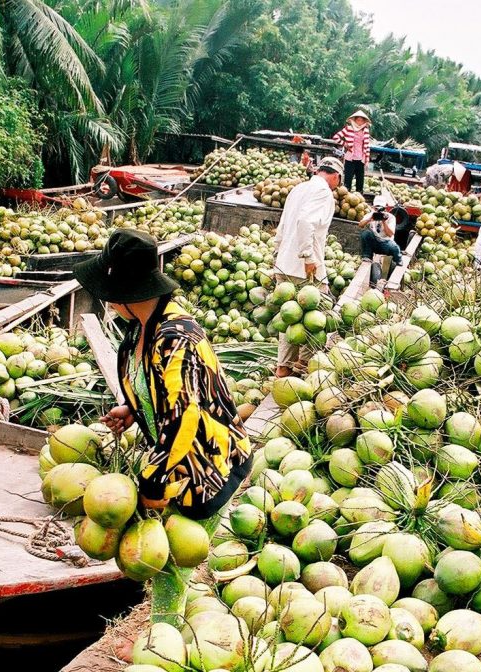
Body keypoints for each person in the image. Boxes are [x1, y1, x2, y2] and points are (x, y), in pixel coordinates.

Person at [73, 230, 252, 620]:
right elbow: (160, 391)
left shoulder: (177, 339)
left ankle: (162, 638)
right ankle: (171, 619)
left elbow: (184, 417)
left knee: (170, 563)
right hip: (179, 459)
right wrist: (132, 410)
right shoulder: (141, 328)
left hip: (209, 462)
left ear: (121, 292)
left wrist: (153, 482)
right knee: (168, 552)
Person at [272, 157, 343, 378]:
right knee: (316, 318)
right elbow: (305, 222)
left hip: (285, 264)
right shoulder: (323, 192)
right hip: (305, 267)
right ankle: (304, 365)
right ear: (335, 176)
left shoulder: (299, 189)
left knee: (290, 319)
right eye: (338, 181)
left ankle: (284, 368)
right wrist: (308, 255)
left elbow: (283, 224)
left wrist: (277, 252)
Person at [359, 194, 403, 287]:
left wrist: (384, 221)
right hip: (375, 243)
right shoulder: (371, 215)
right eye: (376, 208)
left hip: (386, 244)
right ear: (373, 207)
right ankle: (367, 257)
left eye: (381, 209)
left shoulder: (391, 217)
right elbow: (360, 225)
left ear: (385, 208)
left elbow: (390, 234)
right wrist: (370, 219)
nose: (378, 211)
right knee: (366, 233)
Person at [333, 110, 371, 193]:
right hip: (350, 158)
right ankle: (346, 196)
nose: (360, 122)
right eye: (358, 120)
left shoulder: (366, 131)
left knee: (360, 180)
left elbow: (367, 146)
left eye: (362, 120)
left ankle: (359, 197)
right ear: (354, 120)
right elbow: (336, 137)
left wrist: (367, 160)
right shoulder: (348, 129)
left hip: (361, 159)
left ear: (364, 121)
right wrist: (345, 144)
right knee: (348, 180)